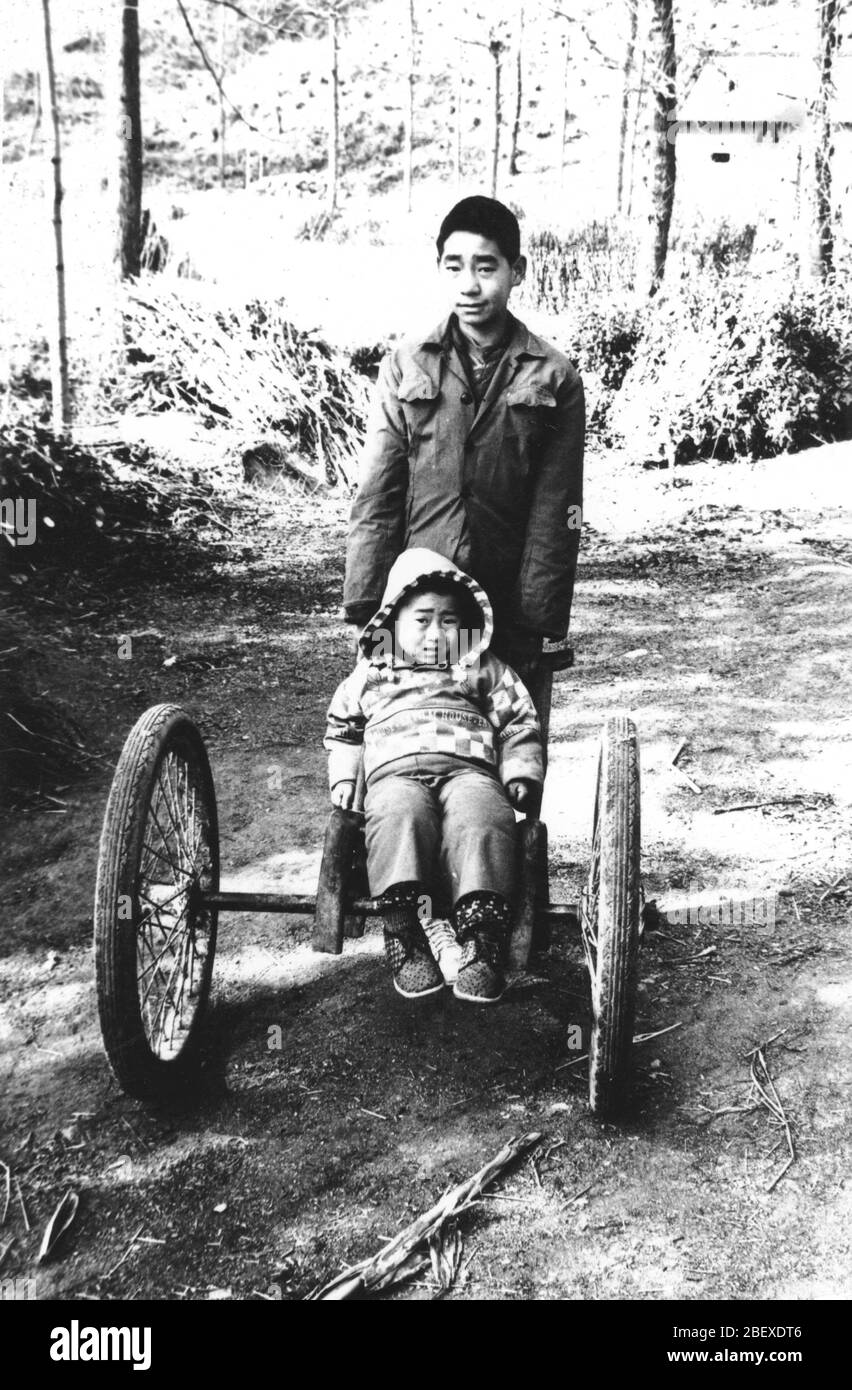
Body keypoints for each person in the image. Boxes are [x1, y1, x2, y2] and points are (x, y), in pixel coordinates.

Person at [342, 195, 585, 689]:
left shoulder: (555, 376)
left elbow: (558, 509)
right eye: (454, 267)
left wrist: (539, 621)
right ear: (440, 269)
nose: (469, 285)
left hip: (510, 603)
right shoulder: (406, 364)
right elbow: (377, 492)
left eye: (486, 267)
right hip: (418, 600)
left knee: (513, 742)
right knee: (405, 736)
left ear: (517, 270)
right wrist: (368, 602)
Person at [325, 548, 543, 1004]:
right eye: (421, 620)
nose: (435, 633)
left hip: (469, 771)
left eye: (448, 621)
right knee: (395, 814)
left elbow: (519, 721)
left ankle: (482, 944)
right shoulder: (371, 675)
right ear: (393, 620)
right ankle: (405, 939)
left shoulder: (481, 667)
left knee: (482, 816)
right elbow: (344, 729)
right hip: (394, 776)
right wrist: (345, 779)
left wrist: (520, 770)